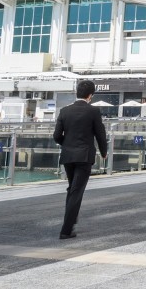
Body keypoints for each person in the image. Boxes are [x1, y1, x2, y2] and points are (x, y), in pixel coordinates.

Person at [53, 79, 108, 240]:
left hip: (68, 155)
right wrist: (104, 152)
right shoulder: (93, 111)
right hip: (84, 156)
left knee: (72, 189)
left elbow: (57, 136)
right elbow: (100, 134)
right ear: (90, 95)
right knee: (76, 191)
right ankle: (66, 229)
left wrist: (68, 145)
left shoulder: (64, 111)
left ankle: (71, 218)